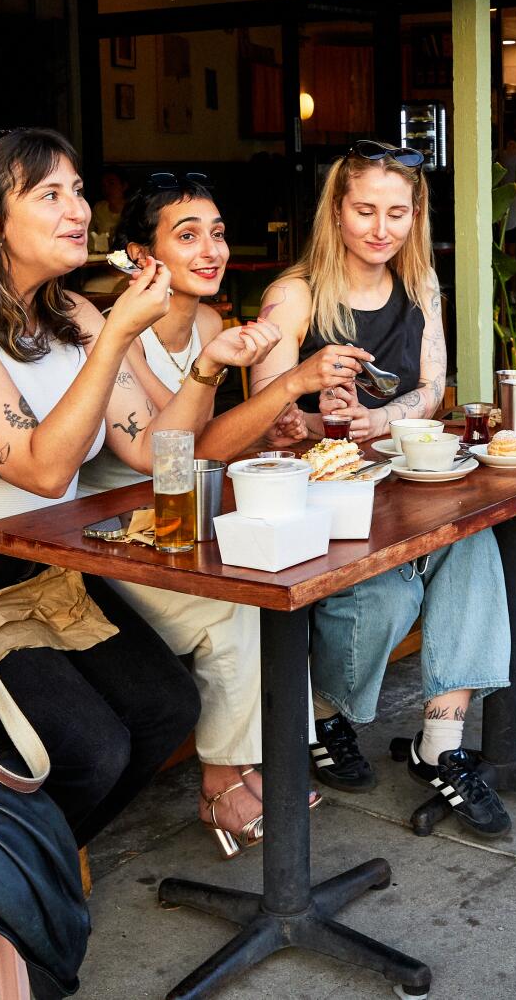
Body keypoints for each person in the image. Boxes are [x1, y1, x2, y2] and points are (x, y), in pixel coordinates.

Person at [0, 127, 279, 883]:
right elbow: (43, 470)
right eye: (48, 193)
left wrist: (206, 367)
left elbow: (153, 451)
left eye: (78, 189)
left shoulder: (70, 314)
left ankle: (8, 871)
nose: (77, 207)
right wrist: (116, 336)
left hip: (43, 571)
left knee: (166, 706)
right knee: (92, 746)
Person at [77, 170, 370, 852]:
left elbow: (208, 448)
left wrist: (274, 423)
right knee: (237, 600)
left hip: (185, 517)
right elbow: (166, 453)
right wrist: (287, 385)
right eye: (187, 235)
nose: (211, 248)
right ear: (142, 258)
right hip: (113, 535)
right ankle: (219, 782)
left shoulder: (207, 320)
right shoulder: (109, 323)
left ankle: (264, 758)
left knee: (280, 580)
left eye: (216, 232)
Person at [250, 140, 515, 838]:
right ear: (336, 209)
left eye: (397, 212)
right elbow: (266, 418)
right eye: (364, 209)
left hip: (400, 486)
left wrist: (383, 416)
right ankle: (324, 710)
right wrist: (310, 414)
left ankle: (443, 742)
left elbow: (433, 388)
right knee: (389, 593)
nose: (380, 228)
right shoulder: (294, 295)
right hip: (323, 507)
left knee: (474, 534)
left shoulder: (420, 283)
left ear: (416, 214)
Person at [89, 168, 127, 241]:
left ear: (124, 186)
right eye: (104, 185)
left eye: (111, 183)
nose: (107, 188)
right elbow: (90, 232)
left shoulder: (133, 209)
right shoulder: (99, 208)